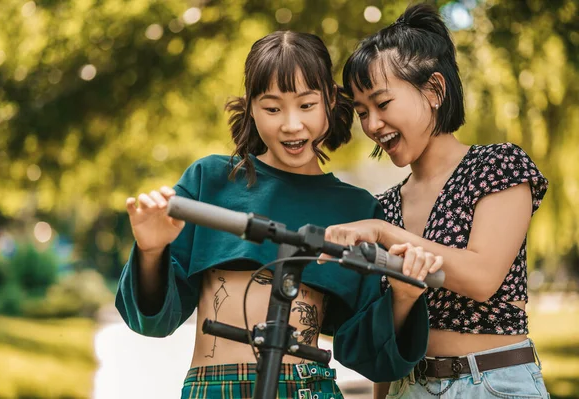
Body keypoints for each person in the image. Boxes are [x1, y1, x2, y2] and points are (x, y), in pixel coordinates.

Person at [115, 31, 443, 399]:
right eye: (272, 108)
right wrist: (151, 250)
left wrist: (402, 296)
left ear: (330, 103)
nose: (291, 124)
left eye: (306, 105)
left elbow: (372, 357)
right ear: (251, 107)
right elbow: (153, 322)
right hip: (214, 389)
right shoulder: (209, 181)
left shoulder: (356, 210)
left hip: (309, 389)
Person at [324, 4, 550, 398]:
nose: (372, 124)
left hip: (492, 384)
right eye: (362, 112)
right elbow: (389, 335)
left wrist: (382, 233)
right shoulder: (386, 204)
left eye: (382, 103)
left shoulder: (498, 165)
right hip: (406, 388)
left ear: (434, 90)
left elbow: (482, 278)